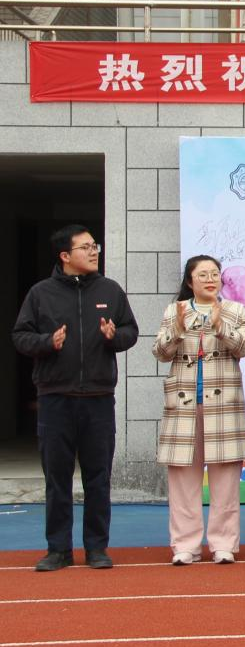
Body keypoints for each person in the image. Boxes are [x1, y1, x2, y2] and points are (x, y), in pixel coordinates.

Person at [12, 224, 138, 572]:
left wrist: (114, 336)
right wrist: (47, 342)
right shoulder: (41, 294)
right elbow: (20, 336)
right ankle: (58, 550)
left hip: (99, 398)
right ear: (65, 256)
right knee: (57, 478)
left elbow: (130, 330)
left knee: (98, 477)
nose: (94, 251)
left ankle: (96, 548)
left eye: (95, 245)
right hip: (55, 398)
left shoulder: (110, 290)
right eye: (86, 247)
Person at [152, 255, 245, 565]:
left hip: (223, 405)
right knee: (183, 479)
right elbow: (160, 352)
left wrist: (222, 327)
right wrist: (177, 330)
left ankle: (224, 543)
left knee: (226, 479)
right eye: (203, 275)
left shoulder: (234, 310)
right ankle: (185, 545)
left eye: (215, 274)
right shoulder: (175, 310)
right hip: (183, 405)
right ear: (190, 281)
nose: (211, 280)